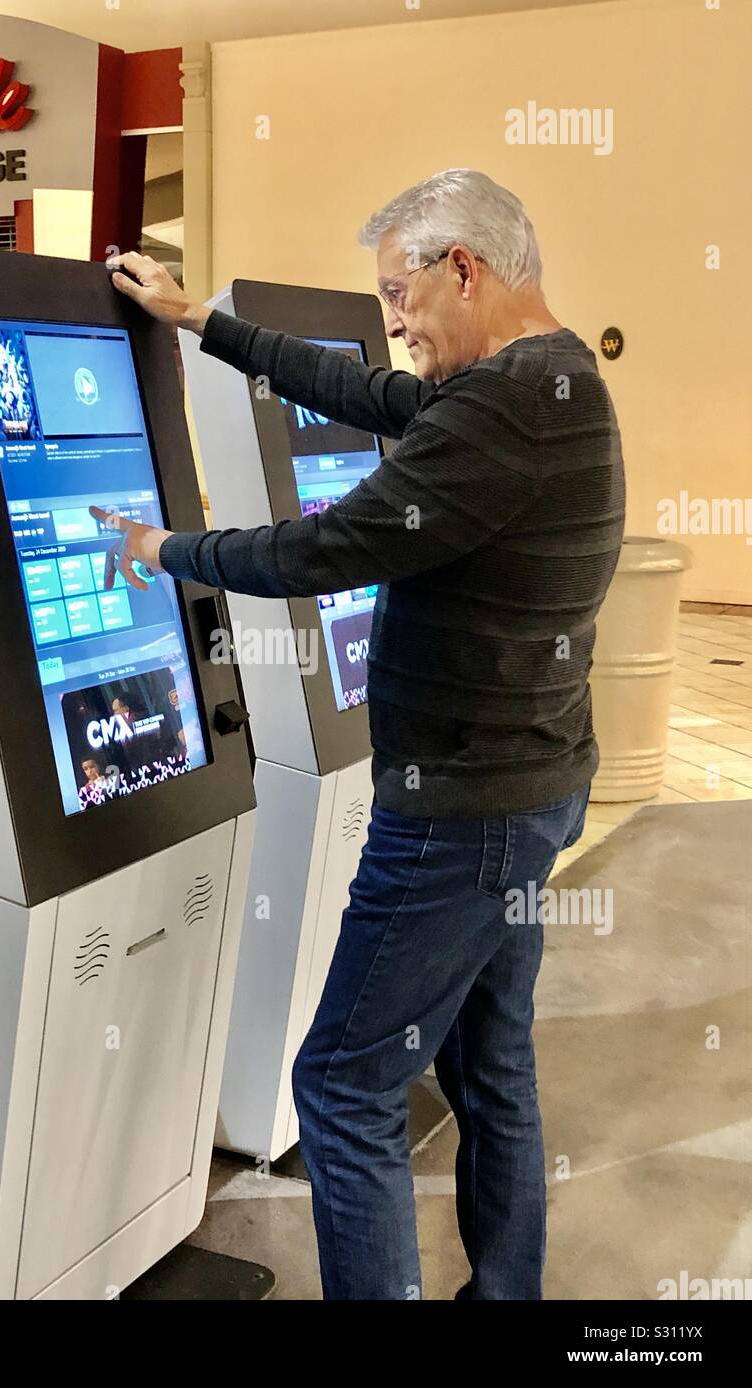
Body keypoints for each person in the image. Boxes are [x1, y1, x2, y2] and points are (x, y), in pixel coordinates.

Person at [101, 169, 625, 1301]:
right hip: (532, 790)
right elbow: (363, 393)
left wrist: (161, 551)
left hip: (461, 820)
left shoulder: (501, 407)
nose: (391, 322)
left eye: (399, 294)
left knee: (341, 1081)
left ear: (464, 270)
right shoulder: (555, 376)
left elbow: (324, 550)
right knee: (490, 1064)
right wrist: (206, 324)